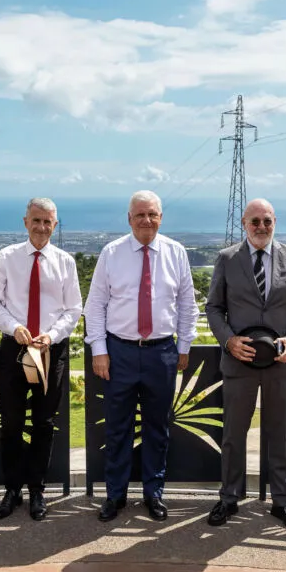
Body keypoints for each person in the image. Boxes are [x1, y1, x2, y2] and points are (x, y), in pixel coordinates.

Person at [85, 190, 198, 522]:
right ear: (129, 219)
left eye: (152, 214)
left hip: (161, 352)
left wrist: (184, 346)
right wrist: (99, 350)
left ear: (161, 218)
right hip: (118, 351)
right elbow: (95, 306)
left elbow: (187, 304)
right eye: (140, 215)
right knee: (117, 428)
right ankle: (115, 495)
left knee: (157, 428)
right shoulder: (112, 253)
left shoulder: (176, 253)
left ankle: (154, 493)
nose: (146, 220)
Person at [204, 198, 286, 530]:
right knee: (233, 434)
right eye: (255, 221)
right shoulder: (227, 258)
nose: (261, 227)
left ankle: (282, 501)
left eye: (267, 220)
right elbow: (213, 308)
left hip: (282, 362)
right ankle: (228, 498)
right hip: (239, 362)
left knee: (281, 435)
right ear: (244, 224)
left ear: (275, 222)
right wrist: (228, 341)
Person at [0, 197, 83, 521]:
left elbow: (74, 309)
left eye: (47, 222)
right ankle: (12, 489)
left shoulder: (65, 262)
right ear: (25, 222)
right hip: (15, 348)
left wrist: (51, 336)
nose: (42, 227)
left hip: (50, 350)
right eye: (36, 220)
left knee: (43, 423)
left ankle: (37, 490)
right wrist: (14, 327)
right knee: (11, 422)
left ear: (54, 225)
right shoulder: (7, 257)